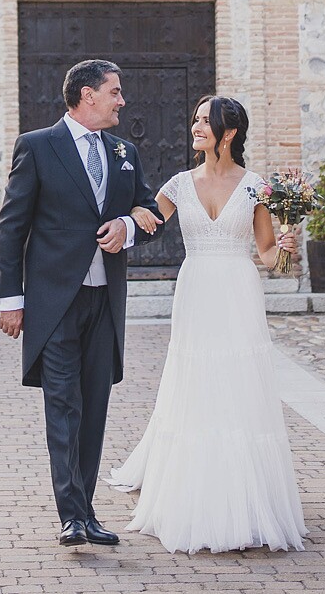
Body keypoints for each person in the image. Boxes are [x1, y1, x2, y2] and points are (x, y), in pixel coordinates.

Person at [106, 94, 307, 553]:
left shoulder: (256, 187)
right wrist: (123, 224)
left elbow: (270, 258)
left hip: (238, 289)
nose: (195, 127)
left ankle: (246, 496)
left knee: (238, 385)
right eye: (194, 119)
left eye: (204, 122)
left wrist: (289, 247)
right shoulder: (178, 184)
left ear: (229, 133)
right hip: (195, 290)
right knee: (196, 382)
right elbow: (148, 221)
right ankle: (194, 490)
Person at [0, 58, 161, 547]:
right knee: (63, 405)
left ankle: (87, 512)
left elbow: (151, 211)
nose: (121, 100)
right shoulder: (38, 146)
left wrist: (128, 226)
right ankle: (71, 515)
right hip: (54, 304)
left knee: (94, 409)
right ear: (88, 95)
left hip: (104, 303)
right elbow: (12, 226)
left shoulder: (125, 151)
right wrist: (11, 299)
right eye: (114, 91)